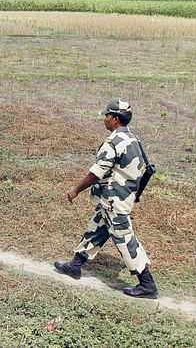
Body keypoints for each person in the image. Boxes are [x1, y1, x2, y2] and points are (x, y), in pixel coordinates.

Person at [54, 98, 158, 299]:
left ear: (116, 119)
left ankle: (147, 284)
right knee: (96, 229)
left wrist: (76, 190)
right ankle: (75, 265)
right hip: (120, 197)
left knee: (125, 239)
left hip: (114, 200)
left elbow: (96, 174)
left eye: (107, 116)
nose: (105, 119)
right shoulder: (133, 139)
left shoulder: (113, 144)